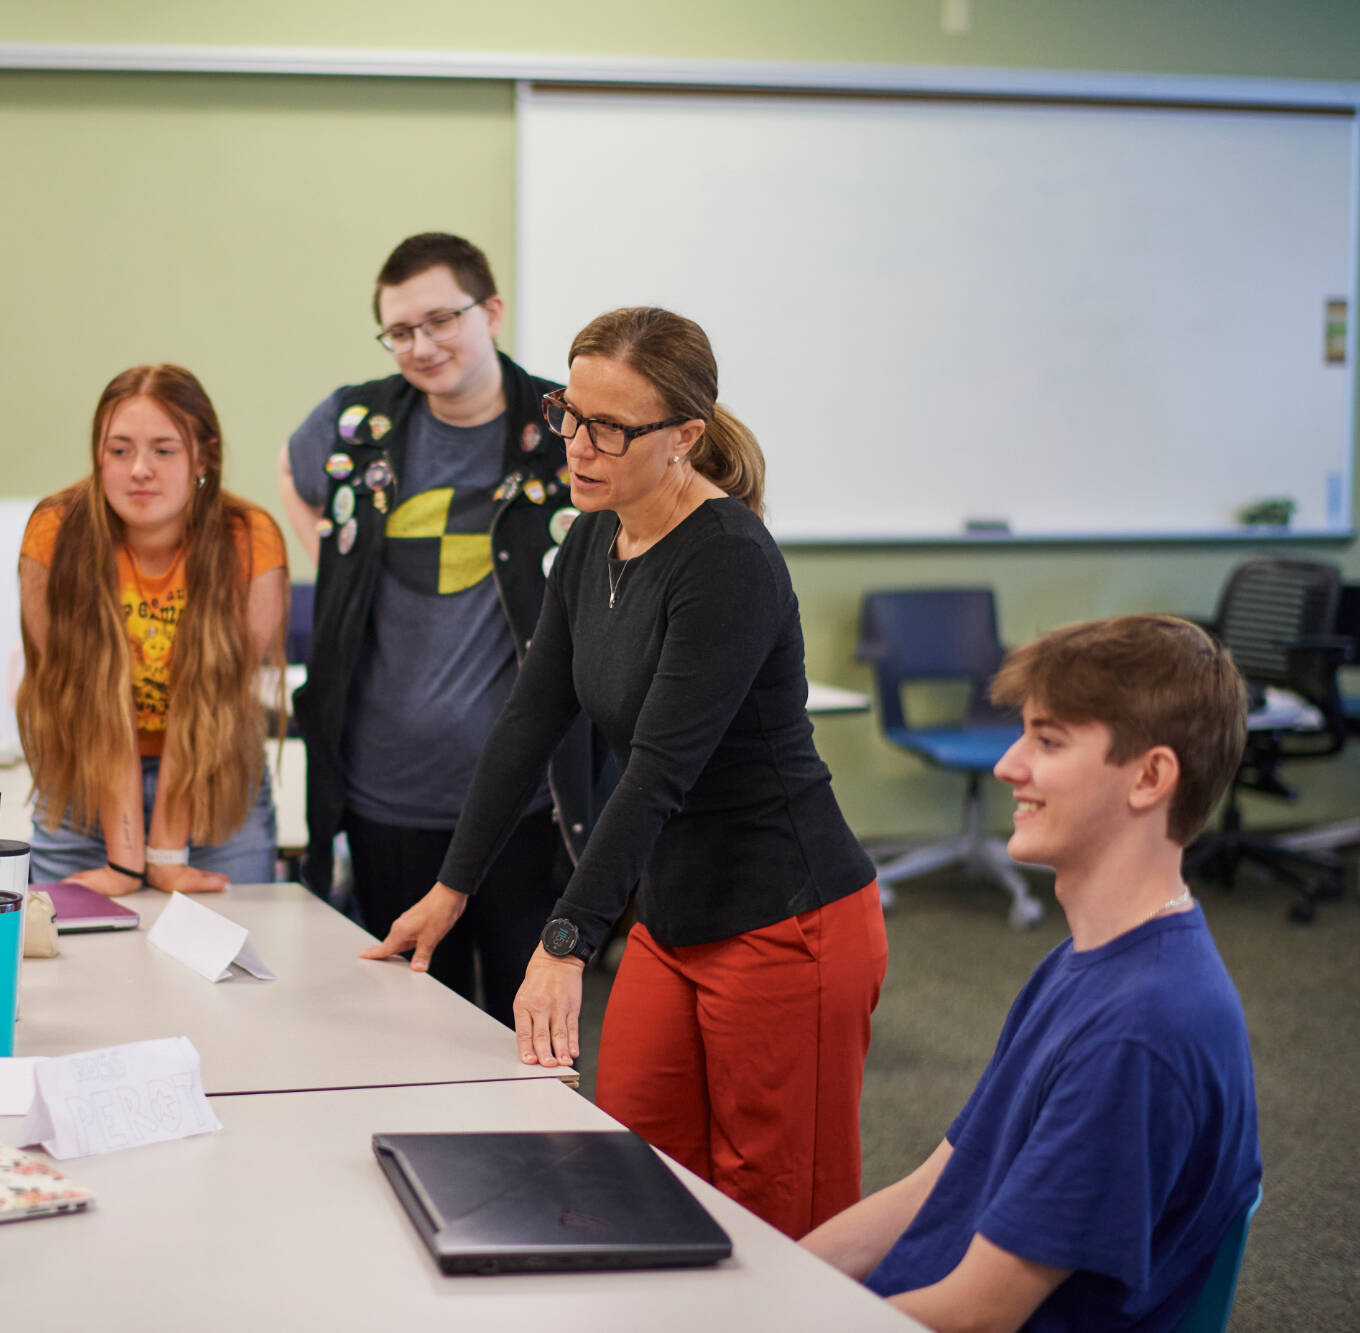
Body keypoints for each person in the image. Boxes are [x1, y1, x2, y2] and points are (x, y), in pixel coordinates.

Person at [363, 306, 885, 1240]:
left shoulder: (726, 562)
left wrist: (565, 940)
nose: (579, 444)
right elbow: (529, 721)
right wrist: (452, 886)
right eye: (571, 412)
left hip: (786, 918)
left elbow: (658, 771)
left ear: (685, 435)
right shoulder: (593, 537)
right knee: (637, 1169)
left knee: (773, 1212)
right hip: (671, 914)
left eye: (610, 427)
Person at [803, 615, 1262, 1332]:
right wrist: (778, 1280)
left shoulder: (1141, 1031)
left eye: (1048, 741)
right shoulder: (1088, 958)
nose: (1007, 765)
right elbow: (935, 1186)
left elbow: (980, 1315)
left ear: (1150, 777)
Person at [281, 232, 604, 1022]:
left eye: (440, 320)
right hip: (386, 797)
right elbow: (293, 471)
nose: (420, 346)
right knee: (416, 1029)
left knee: (530, 1034)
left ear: (491, 311)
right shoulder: (357, 423)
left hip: (529, 804)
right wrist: (326, 547)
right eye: (400, 330)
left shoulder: (566, 427)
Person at [18, 364, 287, 895]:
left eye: (164, 450)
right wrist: (125, 858)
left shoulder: (250, 540)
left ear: (204, 455)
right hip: (83, 780)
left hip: (216, 781)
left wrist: (163, 853)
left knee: (228, 961)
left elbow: (211, 701)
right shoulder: (55, 533)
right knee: (73, 961)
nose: (140, 469)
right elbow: (87, 698)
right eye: (119, 451)